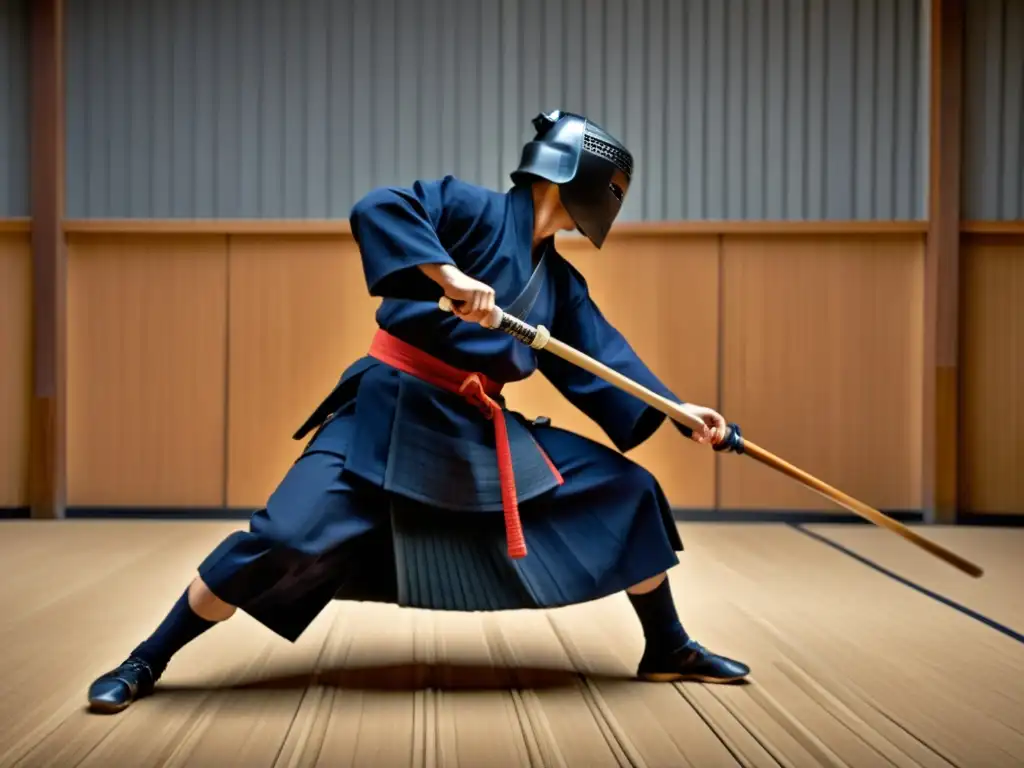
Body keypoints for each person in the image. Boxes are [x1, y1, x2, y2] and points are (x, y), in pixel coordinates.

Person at [87, 110, 750, 714]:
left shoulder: (557, 283)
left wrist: (677, 409)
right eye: (612, 186)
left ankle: (666, 646)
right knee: (282, 537)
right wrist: (447, 275)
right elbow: (381, 207)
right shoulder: (468, 209)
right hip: (391, 408)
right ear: (578, 175)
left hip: (476, 430)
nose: (612, 202)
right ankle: (148, 658)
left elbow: (601, 356)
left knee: (628, 491)